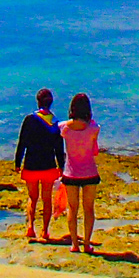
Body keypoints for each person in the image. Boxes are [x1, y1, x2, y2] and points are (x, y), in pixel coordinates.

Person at [13, 88, 65, 244]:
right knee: (46, 198)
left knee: (32, 197)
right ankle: (45, 231)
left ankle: (30, 227)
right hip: (48, 165)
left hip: (31, 164)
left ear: (38, 101)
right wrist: (61, 166)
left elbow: (22, 142)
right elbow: (59, 148)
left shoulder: (29, 119)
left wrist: (17, 162)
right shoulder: (55, 122)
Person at [60, 93, 101, 254]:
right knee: (89, 209)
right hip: (90, 172)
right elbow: (95, 150)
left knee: (72, 208)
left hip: (71, 173)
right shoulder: (94, 128)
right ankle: (87, 244)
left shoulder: (63, 127)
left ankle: (75, 244)